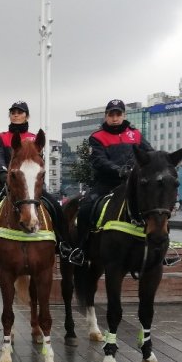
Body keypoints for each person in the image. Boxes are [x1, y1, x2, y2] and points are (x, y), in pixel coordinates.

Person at [0, 100, 63, 265]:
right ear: (10, 115)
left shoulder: (35, 138)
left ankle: (64, 244)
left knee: (57, 209)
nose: (16, 115)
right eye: (13, 112)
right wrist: (2, 173)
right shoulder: (1, 137)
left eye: (20, 112)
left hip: (31, 186)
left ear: (26, 116)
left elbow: (38, 162)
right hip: (5, 184)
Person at [68, 100, 153, 266]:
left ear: (124, 115)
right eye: (111, 114)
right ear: (106, 116)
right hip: (106, 183)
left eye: (118, 114)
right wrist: (118, 169)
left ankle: (158, 250)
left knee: (156, 208)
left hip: (132, 183)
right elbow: (98, 161)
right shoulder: (97, 137)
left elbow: (149, 153)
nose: (115, 118)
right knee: (85, 209)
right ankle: (81, 249)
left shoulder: (135, 134)